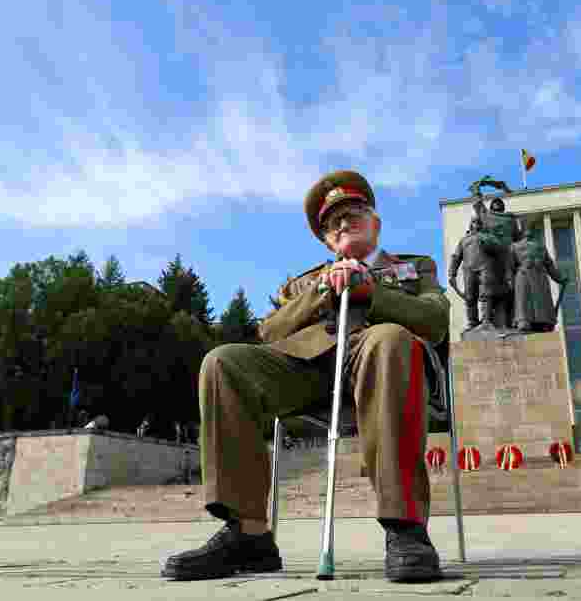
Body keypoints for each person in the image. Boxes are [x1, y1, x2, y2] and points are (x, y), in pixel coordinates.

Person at [162, 170, 449, 583]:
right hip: (307, 370)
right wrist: (320, 294)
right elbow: (269, 332)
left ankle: (405, 527)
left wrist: (373, 293)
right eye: (333, 223)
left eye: (353, 213)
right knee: (222, 363)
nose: (343, 223)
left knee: (389, 340)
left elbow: (436, 320)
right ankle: (249, 535)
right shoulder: (302, 283)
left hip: (378, 363)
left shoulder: (415, 267)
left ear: (376, 223)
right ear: (327, 241)